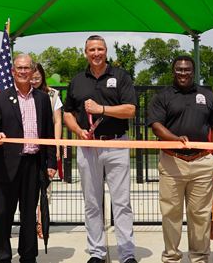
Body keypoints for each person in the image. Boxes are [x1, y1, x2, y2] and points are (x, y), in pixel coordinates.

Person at [63, 35, 138, 263]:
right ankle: (97, 252)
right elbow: (68, 113)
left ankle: (126, 254)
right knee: (92, 202)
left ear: (106, 51)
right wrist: (78, 131)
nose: (96, 53)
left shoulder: (120, 76)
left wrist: (101, 109)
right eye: (91, 50)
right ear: (85, 52)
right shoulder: (77, 80)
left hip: (116, 143)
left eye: (100, 49)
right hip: (88, 146)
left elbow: (130, 110)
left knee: (122, 202)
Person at [147, 55, 213, 263]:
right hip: (173, 161)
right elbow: (156, 126)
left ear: (193, 71)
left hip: (202, 162)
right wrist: (176, 139)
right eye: (179, 69)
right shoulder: (162, 96)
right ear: (173, 71)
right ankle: (172, 257)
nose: (183, 73)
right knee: (171, 213)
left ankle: (199, 257)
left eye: (187, 69)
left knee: (200, 214)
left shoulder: (206, 95)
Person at [0, 54, 57, 263]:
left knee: (28, 215)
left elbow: (48, 134)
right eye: (20, 68)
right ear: (12, 71)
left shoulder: (43, 99)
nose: (24, 72)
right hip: (5, 166)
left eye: (27, 68)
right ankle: (1, 257)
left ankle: (28, 256)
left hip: (32, 164)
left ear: (33, 70)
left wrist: (51, 162)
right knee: (2, 216)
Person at [31, 62, 63, 239]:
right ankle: (30, 222)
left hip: (46, 147)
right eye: (32, 77)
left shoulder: (52, 95)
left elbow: (57, 121)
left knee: (46, 189)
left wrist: (56, 145)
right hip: (27, 148)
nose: (34, 80)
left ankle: (41, 222)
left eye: (38, 77)